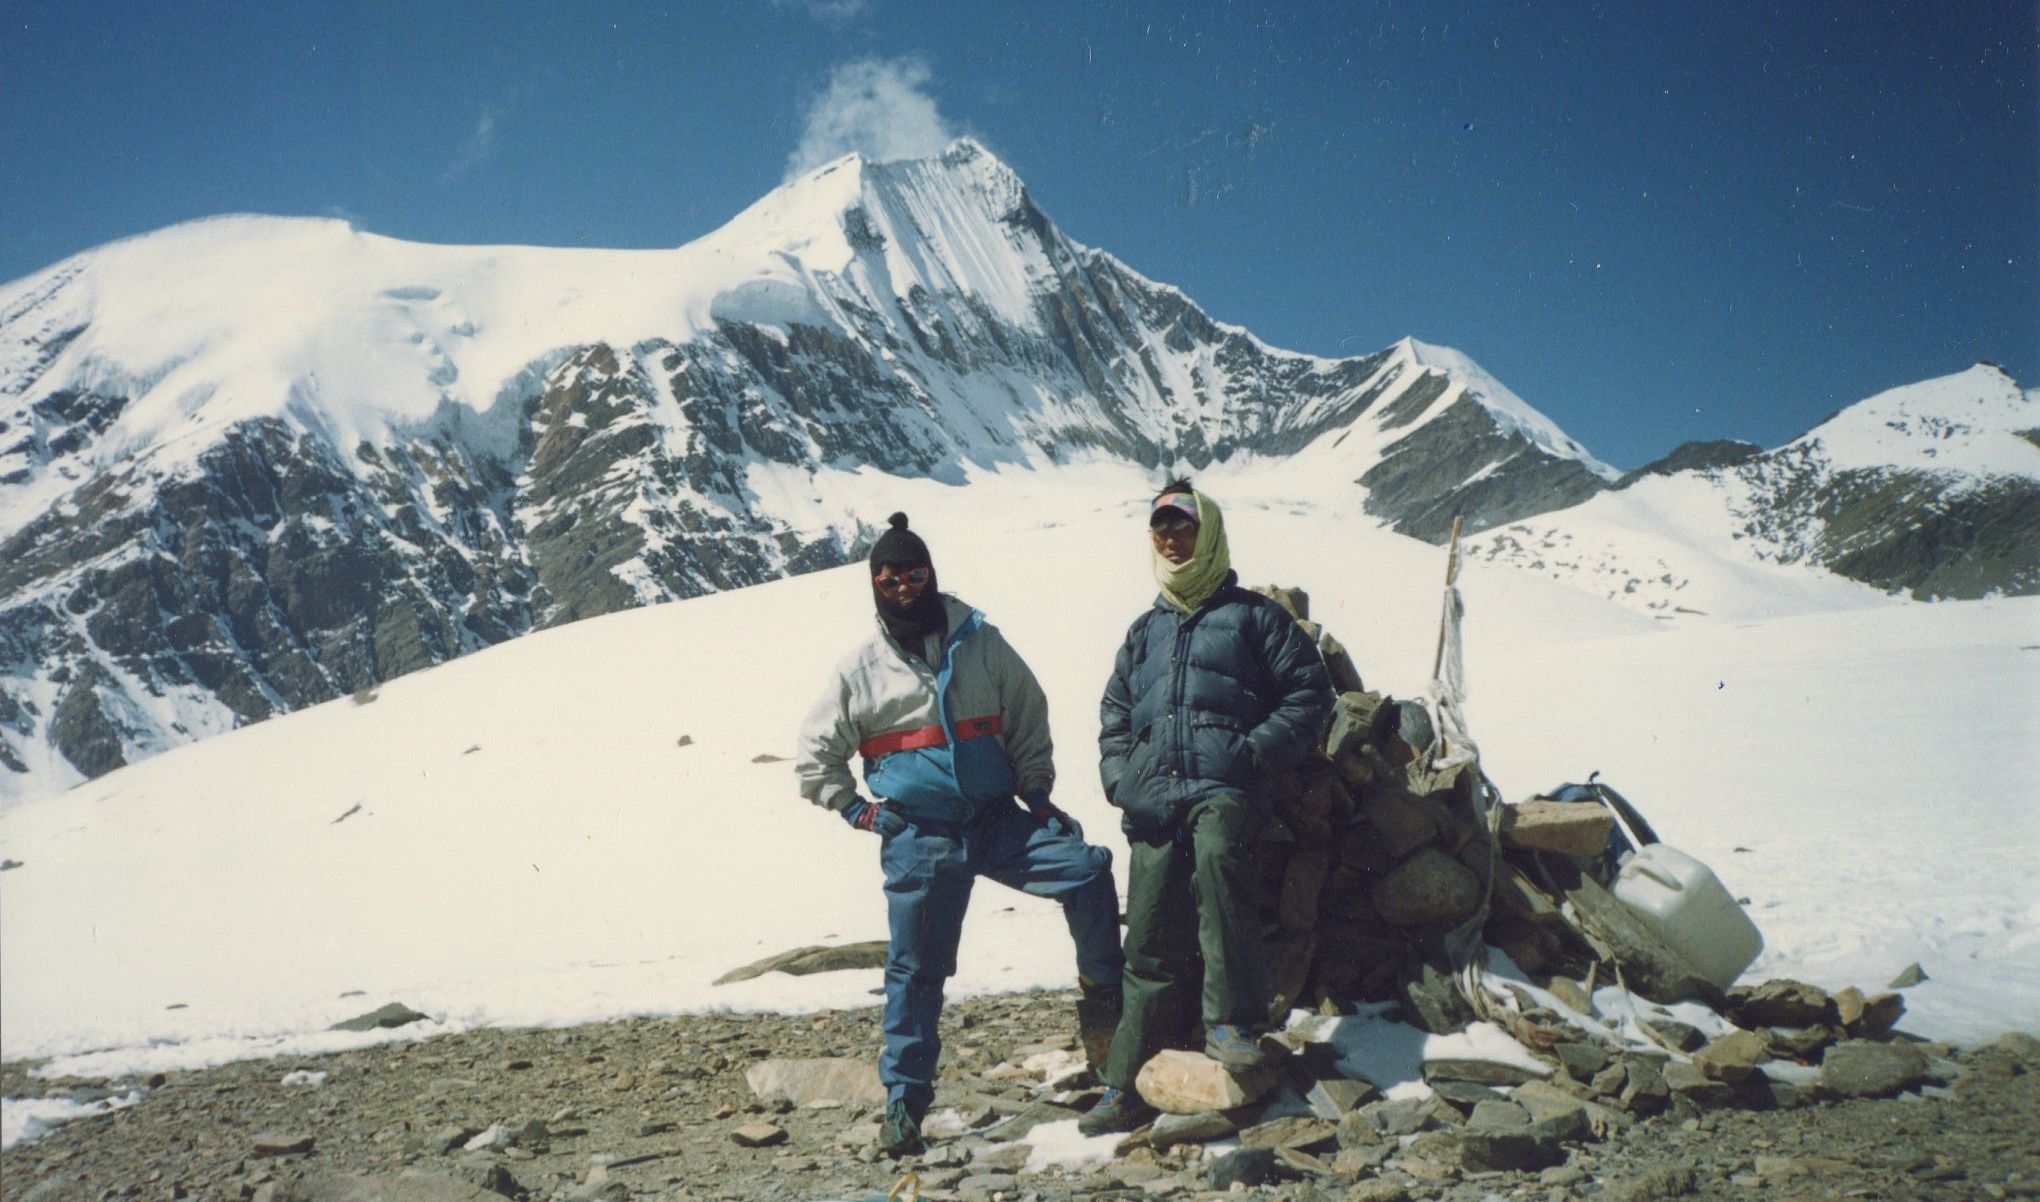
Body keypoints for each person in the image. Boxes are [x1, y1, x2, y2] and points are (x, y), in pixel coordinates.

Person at [796, 512, 1125, 1157]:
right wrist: (855, 810)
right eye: (888, 576)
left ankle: (1111, 1035)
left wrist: (1038, 793)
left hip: (997, 819)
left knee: (1086, 871)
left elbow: (1025, 713)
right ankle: (903, 1106)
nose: (901, 586)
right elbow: (816, 755)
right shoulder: (860, 668)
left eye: (912, 572)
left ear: (931, 573)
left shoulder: (981, 642)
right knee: (916, 971)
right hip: (919, 834)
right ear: (873, 582)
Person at [1079, 480, 1335, 1135]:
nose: (1170, 536)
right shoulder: (1145, 630)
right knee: (1149, 934)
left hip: (1224, 788)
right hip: (1155, 797)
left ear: (1209, 532)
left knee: (1223, 880)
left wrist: (1253, 753)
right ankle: (1126, 1083)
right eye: (1160, 525)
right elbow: (1113, 711)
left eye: (1183, 524)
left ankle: (1232, 1026)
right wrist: (1121, 775)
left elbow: (1309, 693)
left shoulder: (1253, 617)